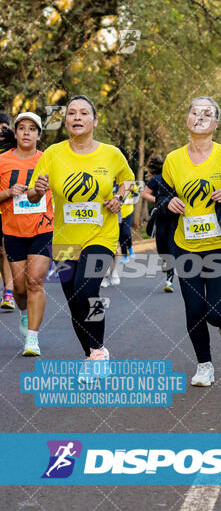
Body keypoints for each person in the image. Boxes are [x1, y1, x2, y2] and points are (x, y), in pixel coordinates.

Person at [28, 95, 134, 368]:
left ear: (94, 121)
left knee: (87, 290)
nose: (77, 117)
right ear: (65, 122)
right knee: (74, 301)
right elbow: (31, 193)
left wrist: (119, 199)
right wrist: (37, 190)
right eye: (71, 113)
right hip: (64, 239)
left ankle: (97, 353)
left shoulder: (111, 153)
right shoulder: (52, 154)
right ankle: (92, 353)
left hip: (101, 235)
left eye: (83, 113)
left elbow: (128, 179)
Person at [158, 96, 221, 386]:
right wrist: (168, 202)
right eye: (194, 112)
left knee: (215, 310)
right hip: (185, 244)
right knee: (195, 309)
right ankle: (204, 366)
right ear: (187, 119)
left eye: (207, 113)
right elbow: (162, 194)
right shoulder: (173, 160)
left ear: (216, 123)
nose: (200, 117)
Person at [0, 112, 54, 356]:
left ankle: (32, 339)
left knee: (35, 281)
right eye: (22, 128)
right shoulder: (2, 161)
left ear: (38, 135)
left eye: (32, 129)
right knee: (20, 289)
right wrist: (10, 192)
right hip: (13, 230)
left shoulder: (49, 161)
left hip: (43, 229)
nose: (26, 132)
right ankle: (24, 313)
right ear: (16, 132)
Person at [142, 156, 177, 293]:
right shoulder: (157, 179)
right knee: (161, 245)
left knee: (171, 246)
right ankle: (164, 258)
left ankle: (170, 280)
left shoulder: (177, 178)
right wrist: (158, 201)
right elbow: (144, 194)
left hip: (175, 218)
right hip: (161, 217)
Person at [0, 113, 17, 310]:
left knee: (5, 251)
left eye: (4, 127)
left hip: (9, 208)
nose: (1, 131)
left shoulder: (15, 148)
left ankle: (9, 293)